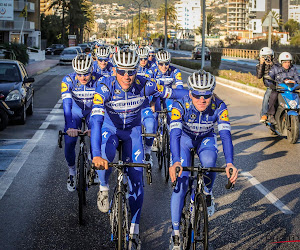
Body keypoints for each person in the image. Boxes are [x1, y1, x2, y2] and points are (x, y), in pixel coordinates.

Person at [90, 49, 161, 249]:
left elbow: (173, 92)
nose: (127, 77)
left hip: (132, 133)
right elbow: (96, 121)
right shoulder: (104, 86)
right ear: (115, 71)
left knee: (137, 179)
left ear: (137, 70)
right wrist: (95, 155)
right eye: (122, 72)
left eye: (131, 72)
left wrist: (198, 94)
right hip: (110, 130)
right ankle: (104, 187)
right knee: (106, 156)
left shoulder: (144, 83)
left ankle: (134, 230)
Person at [168, 70, 238, 249]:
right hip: (184, 139)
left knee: (209, 162)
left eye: (207, 95)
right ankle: (176, 234)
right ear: (190, 93)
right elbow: (174, 134)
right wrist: (176, 161)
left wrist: (230, 163)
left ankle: (207, 193)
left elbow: (226, 135)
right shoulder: (179, 104)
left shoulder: (220, 106)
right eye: (197, 95)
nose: (202, 100)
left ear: (212, 93)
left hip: (206, 138)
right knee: (181, 183)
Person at [61, 54, 102, 192]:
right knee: (70, 141)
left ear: (92, 69)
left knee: (97, 137)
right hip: (75, 112)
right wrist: (70, 126)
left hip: (93, 111)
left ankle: (94, 165)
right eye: (79, 74)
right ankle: (72, 172)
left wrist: (96, 128)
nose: (83, 77)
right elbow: (66, 105)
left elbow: (102, 106)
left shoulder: (100, 80)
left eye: (86, 74)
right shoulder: (68, 80)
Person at [146, 50, 184, 151]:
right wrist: (152, 102)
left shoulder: (175, 71)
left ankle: (171, 136)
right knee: (154, 113)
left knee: (172, 113)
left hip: (168, 95)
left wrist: (180, 103)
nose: (164, 66)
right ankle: (154, 137)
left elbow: (180, 89)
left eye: (166, 63)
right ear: (156, 62)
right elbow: (150, 89)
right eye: (161, 64)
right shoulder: (151, 71)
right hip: (155, 95)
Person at [267, 52, 300, 125]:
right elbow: (269, 78)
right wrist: (271, 85)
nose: (287, 64)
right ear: (281, 62)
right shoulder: (275, 68)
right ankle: (271, 115)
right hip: (279, 90)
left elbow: (297, 78)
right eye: (285, 62)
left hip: (291, 90)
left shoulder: (293, 69)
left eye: (289, 62)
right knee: (273, 95)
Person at [256, 47, 276, 123]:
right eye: (264, 57)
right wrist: (262, 64)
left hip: (279, 84)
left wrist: (272, 64)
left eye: (269, 56)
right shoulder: (259, 66)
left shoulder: (275, 64)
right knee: (267, 95)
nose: (267, 58)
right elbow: (259, 76)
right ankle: (264, 114)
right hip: (270, 85)